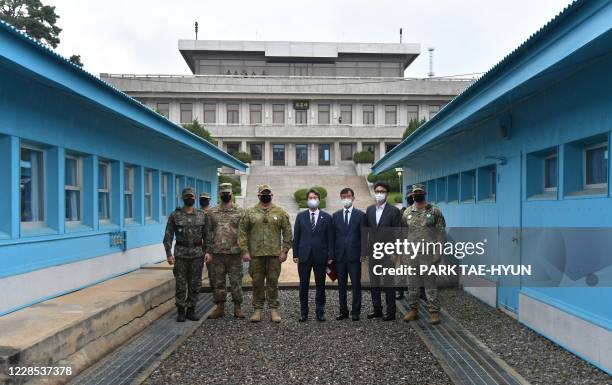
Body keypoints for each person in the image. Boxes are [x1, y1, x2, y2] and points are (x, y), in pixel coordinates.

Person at [238, 184, 292, 323]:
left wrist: (285, 250)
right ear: (258, 195)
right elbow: (242, 232)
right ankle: (257, 309)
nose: (265, 195)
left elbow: (287, 232)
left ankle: (274, 309)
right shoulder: (249, 212)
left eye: (268, 193)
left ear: (272, 195)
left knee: (273, 282)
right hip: (255, 255)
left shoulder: (280, 212)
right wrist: (244, 250)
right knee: (257, 282)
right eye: (263, 193)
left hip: (274, 255)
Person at [163, 187, 212, 322]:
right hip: (181, 254)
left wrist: (208, 251)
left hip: (197, 254)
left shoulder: (202, 215)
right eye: (187, 197)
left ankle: (191, 309)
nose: (189, 199)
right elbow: (168, 236)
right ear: (183, 199)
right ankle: (180, 310)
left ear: (195, 198)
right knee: (180, 283)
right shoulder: (175, 215)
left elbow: (207, 235)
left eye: (191, 197)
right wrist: (168, 254)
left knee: (195, 283)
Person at [402, 183, 446, 325]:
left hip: (428, 254)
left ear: (424, 193)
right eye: (415, 192)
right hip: (411, 255)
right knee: (412, 283)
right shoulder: (407, 212)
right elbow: (403, 233)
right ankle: (413, 310)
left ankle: (433, 312)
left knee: (430, 283)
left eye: (420, 192)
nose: (417, 194)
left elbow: (440, 233)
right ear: (412, 194)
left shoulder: (434, 211)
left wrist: (438, 252)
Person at [293, 188, 334, 322]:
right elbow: (297, 237)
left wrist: (330, 255)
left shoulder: (327, 217)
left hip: (321, 256)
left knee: (320, 285)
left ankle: (320, 311)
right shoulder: (301, 216)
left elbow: (330, 238)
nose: (313, 200)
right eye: (310, 198)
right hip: (304, 255)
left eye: (315, 198)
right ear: (306, 200)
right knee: (303, 285)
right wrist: (295, 254)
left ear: (319, 200)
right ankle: (303, 312)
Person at [207, 183, 245, 319]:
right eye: (223, 193)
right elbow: (208, 233)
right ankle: (220, 307)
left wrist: (245, 250)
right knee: (218, 281)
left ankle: (237, 307)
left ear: (232, 194)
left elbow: (244, 232)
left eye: (228, 193)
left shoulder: (240, 211)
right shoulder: (212, 212)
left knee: (236, 281)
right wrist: (208, 251)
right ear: (219, 195)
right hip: (217, 253)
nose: (226, 195)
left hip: (234, 253)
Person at [364, 181, 401, 321]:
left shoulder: (394, 211)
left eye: (382, 191)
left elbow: (398, 233)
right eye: (377, 191)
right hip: (373, 252)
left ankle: (390, 312)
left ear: (387, 193)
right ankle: (377, 309)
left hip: (388, 253)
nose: (379, 193)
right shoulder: (370, 210)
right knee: (374, 282)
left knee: (388, 283)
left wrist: (395, 252)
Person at [332, 187, 366, 321]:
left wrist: (363, 252)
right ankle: (343, 310)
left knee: (356, 284)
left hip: (355, 255)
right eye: (343, 196)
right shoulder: (335, 216)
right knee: (341, 285)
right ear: (341, 199)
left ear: (353, 198)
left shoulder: (361, 215)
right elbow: (333, 236)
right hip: (339, 256)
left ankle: (356, 311)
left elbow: (364, 236)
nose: (346, 198)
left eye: (348, 196)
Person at [397, 186, 414, 300]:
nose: (411, 198)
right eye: (410, 197)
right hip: (405, 244)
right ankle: (401, 291)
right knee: (402, 269)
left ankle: (421, 292)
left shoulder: (422, 211)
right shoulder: (402, 212)